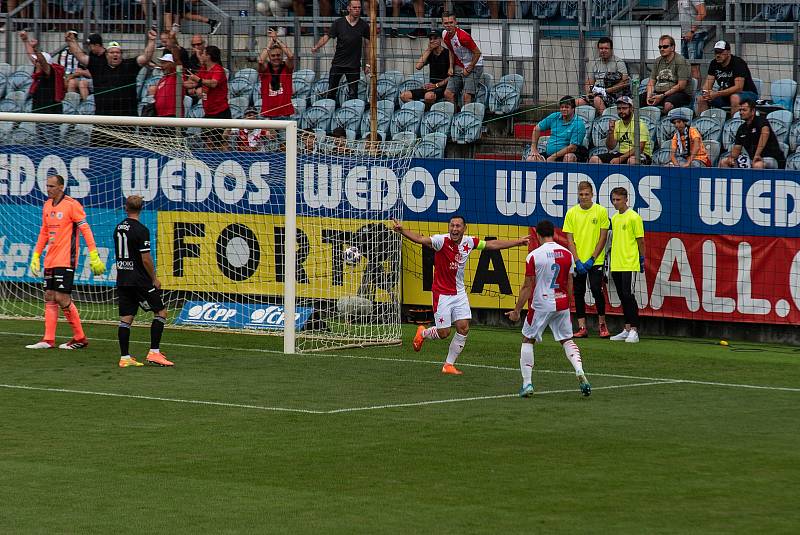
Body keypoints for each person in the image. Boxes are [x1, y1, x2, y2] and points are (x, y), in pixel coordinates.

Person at [391, 216, 529, 375]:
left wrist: (517, 242)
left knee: (463, 327)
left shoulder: (469, 242)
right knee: (444, 333)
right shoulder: (440, 241)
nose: (454, 229)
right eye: (452, 226)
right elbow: (421, 239)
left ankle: (448, 365)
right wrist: (403, 231)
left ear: (464, 229)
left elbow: (492, 244)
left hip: (459, 293)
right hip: (442, 294)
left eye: (458, 226)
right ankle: (423, 332)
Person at [504, 220, 592, 398]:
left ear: (537, 234)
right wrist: (567, 302)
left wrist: (516, 310)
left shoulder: (534, 256)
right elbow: (569, 282)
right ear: (553, 233)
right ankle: (579, 370)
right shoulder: (567, 254)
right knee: (566, 340)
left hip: (541, 305)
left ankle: (527, 384)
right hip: (561, 303)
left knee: (528, 340)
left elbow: (527, 286)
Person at [26, 175, 106, 350]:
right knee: (49, 296)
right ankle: (48, 340)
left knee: (62, 297)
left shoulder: (72, 205)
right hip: (50, 259)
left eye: (52, 186)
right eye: (47, 186)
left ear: (61, 187)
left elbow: (85, 229)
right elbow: (44, 233)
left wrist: (93, 254)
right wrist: (36, 255)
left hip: (66, 260)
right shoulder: (47, 205)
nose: (48, 189)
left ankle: (80, 337)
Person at [66, 29, 157, 142]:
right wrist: (71, 41)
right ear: (106, 54)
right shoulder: (98, 65)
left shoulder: (129, 65)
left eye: (118, 52)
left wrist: (152, 40)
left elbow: (146, 57)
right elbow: (81, 56)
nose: (115, 54)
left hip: (126, 123)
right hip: (102, 122)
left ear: (121, 55)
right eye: (112, 52)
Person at [115, 195, 174, 367]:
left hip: (123, 278)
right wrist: (154, 278)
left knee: (126, 318)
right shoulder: (141, 230)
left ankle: (125, 357)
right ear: (141, 209)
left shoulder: (118, 228)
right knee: (161, 312)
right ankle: (154, 353)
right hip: (139, 279)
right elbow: (146, 259)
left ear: (126, 208)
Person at [563, 181, 610, 338]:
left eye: (586, 194)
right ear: (578, 195)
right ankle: (582, 327)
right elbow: (570, 240)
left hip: (595, 261)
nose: (584, 197)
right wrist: (577, 260)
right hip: (578, 262)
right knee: (578, 293)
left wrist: (592, 258)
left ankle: (602, 325)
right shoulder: (571, 213)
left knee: (597, 290)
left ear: (592, 195)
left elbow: (603, 238)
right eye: (581, 194)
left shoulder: (601, 211)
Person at [311, 0, 370, 101]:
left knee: (353, 94)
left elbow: (368, 45)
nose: (357, 10)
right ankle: (330, 112)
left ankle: (352, 114)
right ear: (348, 8)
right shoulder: (339, 23)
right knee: (331, 92)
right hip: (338, 63)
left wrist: (368, 64)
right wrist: (317, 47)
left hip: (353, 65)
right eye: (354, 7)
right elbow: (327, 36)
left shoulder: (364, 25)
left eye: (359, 8)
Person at [608, 187, 645, 344]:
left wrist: (642, 258)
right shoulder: (615, 218)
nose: (615, 203)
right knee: (622, 296)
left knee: (629, 296)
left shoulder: (634, 217)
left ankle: (634, 331)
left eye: (618, 199)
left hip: (629, 262)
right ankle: (627, 328)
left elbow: (640, 240)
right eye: (613, 200)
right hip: (616, 263)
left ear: (626, 199)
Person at [20, 31, 65, 144]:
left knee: (51, 145)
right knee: (40, 145)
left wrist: (36, 49)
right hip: (39, 116)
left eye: (38, 61)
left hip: (50, 117)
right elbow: (31, 56)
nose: (35, 63)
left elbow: (44, 64)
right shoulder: (38, 75)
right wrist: (25, 41)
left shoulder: (50, 73)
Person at [696, 40, 759, 116]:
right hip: (724, 95)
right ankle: (702, 126)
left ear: (728, 52)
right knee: (701, 98)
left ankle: (733, 125)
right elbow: (707, 85)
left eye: (720, 52)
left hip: (747, 94)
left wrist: (716, 94)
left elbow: (739, 88)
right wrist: (706, 93)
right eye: (716, 52)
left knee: (734, 98)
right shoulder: (714, 63)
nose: (718, 55)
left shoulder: (738, 63)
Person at [185, 45, 230, 150]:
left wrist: (198, 80)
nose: (201, 55)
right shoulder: (204, 69)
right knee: (207, 141)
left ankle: (226, 162)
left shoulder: (218, 69)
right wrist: (182, 81)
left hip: (220, 112)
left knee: (221, 142)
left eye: (203, 53)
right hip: (209, 113)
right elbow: (192, 82)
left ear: (208, 56)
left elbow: (213, 83)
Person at [719, 98, 786, 169]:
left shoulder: (761, 121)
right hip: (753, 159)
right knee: (724, 162)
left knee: (757, 165)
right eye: (740, 110)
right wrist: (731, 157)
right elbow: (737, 148)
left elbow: (765, 133)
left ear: (753, 111)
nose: (741, 112)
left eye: (744, 110)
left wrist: (757, 155)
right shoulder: (742, 128)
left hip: (770, 158)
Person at [589, 96, 653, 165]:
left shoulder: (640, 124)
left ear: (631, 109)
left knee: (632, 161)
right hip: (622, 154)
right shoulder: (617, 123)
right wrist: (611, 132)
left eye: (624, 108)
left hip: (642, 155)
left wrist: (620, 159)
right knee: (594, 159)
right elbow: (610, 147)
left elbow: (639, 149)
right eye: (619, 108)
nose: (621, 111)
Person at [577, 37, 630, 114]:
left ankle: (605, 122)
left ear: (611, 49)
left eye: (606, 48)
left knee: (597, 100)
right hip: (596, 93)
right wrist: (589, 93)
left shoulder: (618, 62)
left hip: (613, 95)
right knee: (575, 102)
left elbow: (625, 82)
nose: (603, 51)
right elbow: (589, 82)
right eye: (601, 48)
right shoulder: (595, 63)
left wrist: (606, 91)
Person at [527, 95, 587, 163]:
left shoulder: (578, 124)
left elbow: (572, 148)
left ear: (573, 109)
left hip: (569, 154)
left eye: (567, 107)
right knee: (530, 159)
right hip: (549, 154)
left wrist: (553, 157)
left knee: (568, 157)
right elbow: (537, 129)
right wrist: (534, 148)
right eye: (562, 107)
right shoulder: (555, 116)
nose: (564, 109)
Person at [442, 11, 483, 108]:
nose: (449, 25)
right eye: (446, 23)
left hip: (475, 64)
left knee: (466, 96)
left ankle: (465, 120)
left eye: (451, 23)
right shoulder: (444, 35)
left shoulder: (463, 37)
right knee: (448, 93)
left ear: (456, 23)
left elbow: (477, 53)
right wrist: (451, 67)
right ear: (443, 24)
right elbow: (451, 51)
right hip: (460, 64)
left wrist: (469, 68)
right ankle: (454, 117)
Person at [399, 31, 450, 107]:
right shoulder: (429, 53)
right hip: (430, 87)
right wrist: (429, 50)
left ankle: (427, 111)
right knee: (404, 96)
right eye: (430, 39)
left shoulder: (447, 53)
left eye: (435, 38)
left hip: (444, 87)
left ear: (440, 40)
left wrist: (436, 85)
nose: (432, 41)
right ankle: (422, 108)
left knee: (428, 96)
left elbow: (452, 76)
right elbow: (418, 66)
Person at [643, 35, 692, 113]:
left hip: (678, 93)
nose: (662, 49)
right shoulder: (657, 61)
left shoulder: (680, 61)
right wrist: (649, 96)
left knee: (668, 105)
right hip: (659, 92)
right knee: (635, 101)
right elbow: (651, 82)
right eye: (660, 47)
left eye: (665, 46)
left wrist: (663, 96)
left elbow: (681, 86)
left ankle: (663, 122)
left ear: (672, 48)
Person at [257, 29, 295, 119]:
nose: (276, 58)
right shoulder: (265, 70)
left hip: (284, 114)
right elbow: (260, 61)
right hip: (268, 114)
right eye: (273, 55)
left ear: (281, 56)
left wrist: (277, 39)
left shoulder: (287, 68)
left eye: (278, 55)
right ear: (269, 57)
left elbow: (290, 56)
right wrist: (270, 43)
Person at [679, 0, 708, 86]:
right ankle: (689, 91)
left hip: (696, 34)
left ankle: (696, 93)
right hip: (684, 35)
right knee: (685, 66)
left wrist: (692, 31)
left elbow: (702, 12)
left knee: (694, 66)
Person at [150, 53, 186, 118]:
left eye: (164, 63)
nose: (162, 65)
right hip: (160, 115)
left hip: (173, 114)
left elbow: (178, 64)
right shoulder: (162, 79)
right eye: (162, 63)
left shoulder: (176, 76)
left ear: (172, 64)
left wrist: (172, 47)